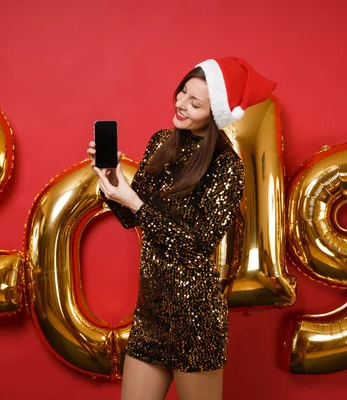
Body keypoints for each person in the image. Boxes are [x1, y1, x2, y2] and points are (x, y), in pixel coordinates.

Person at [87, 57, 276, 400]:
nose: (180, 103)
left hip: (195, 321)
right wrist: (113, 184)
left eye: (195, 102)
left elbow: (196, 247)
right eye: (182, 91)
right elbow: (134, 217)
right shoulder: (161, 142)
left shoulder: (227, 167)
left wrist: (135, 203)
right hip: (151, 315)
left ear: (215, 113)